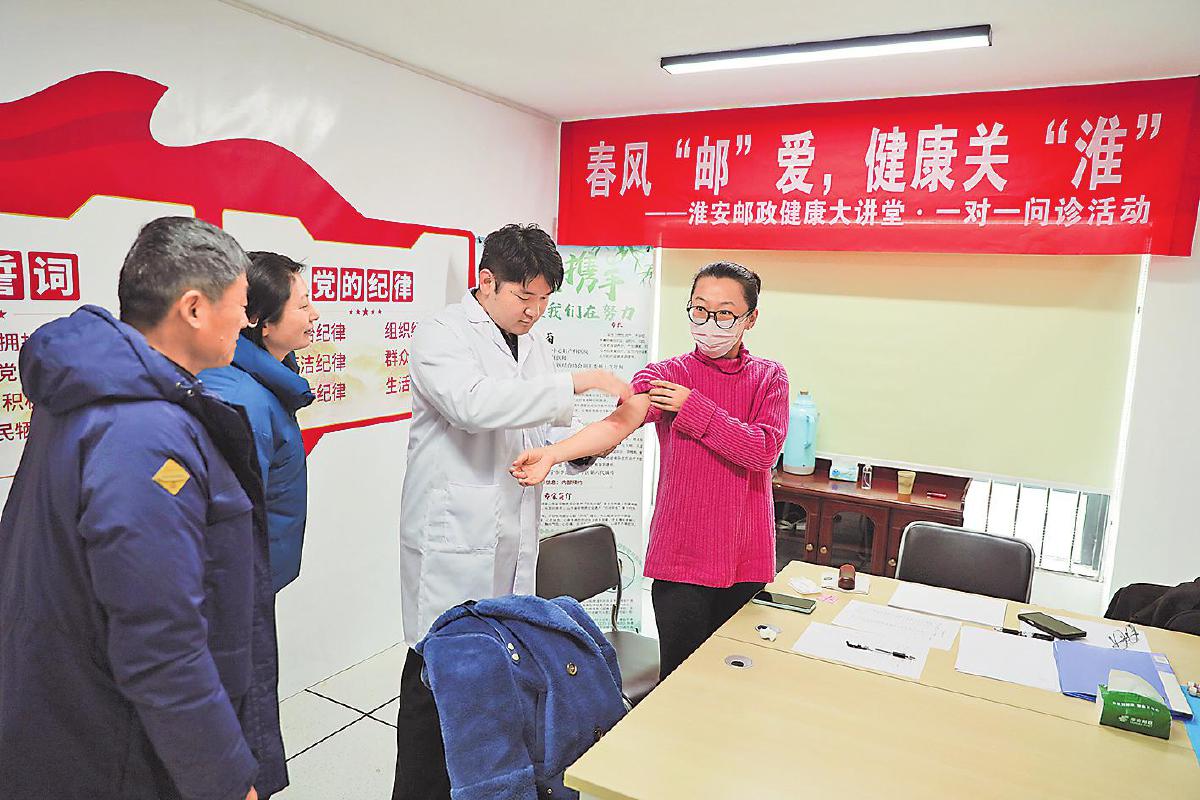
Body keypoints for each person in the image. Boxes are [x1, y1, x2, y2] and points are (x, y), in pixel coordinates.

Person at [0, 217, 287, 800]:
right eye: (239, 305)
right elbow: (161, 642)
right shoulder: (144, 433)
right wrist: (224, 779)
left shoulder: (103, 392)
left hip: (70, 708)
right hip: (115, 743)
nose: (245, 321)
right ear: (194, 309)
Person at [393, 223, 631, 800]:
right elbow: (473, 406)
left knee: (500, 670)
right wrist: (582, 381)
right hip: (455, 533)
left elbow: (537, 421)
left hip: (510, 526)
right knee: (439, 671)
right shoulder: (442, 334)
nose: (534, 311)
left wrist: (577, 449)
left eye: (544, 300)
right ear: (486, 281)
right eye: (524, 297)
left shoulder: (531, 340)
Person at [512, 261, 789, 680]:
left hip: (744, 560)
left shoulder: (769, 378)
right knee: (680, 685)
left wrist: (693, 407)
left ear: (750, 318)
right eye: (700, 309)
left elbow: (762, 451)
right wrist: (554, 453)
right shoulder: (667, 376)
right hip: (681, 560)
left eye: (725, 313)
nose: (710, 323)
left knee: (736, 686)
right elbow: (617, 425)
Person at [201, 251, 319, 592]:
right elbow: (228, 524)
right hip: (238, 588)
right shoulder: (242, 401)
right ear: (259, 320)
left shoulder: (265, 382)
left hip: (256, 580)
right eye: (302, 306)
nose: (314, 314)